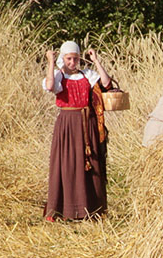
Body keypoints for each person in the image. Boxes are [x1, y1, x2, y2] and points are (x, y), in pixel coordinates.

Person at [44, 41, 112, 220]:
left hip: (86, 123)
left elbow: (106, 83)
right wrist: (51, 62)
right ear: (63, 59)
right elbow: (50, 86)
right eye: (68, 59)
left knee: (89, 163)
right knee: (67, 164)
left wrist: (96, 61)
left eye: (75, 58)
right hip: (67, 124)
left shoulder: (87, 74)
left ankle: (90, 210)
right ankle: (65, 209)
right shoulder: (59, 76)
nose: (72, 62)